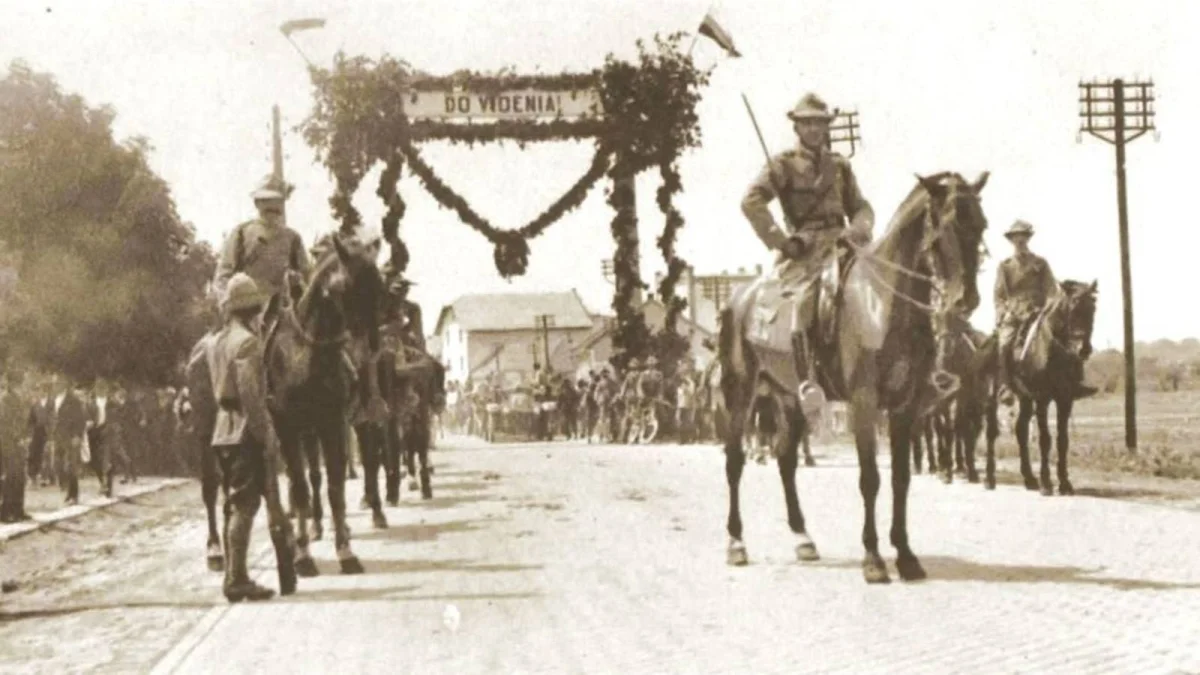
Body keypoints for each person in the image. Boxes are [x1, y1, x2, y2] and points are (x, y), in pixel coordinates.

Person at [741, 92, 874, 376]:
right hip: (806, 251)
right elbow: (751, 201)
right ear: (796, 127)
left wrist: (857, 229)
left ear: (827, 127)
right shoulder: (783, 165)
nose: (814, 129)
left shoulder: (839, 166)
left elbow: (861, 207)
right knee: (803, 305)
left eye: (820, 123)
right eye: (807, 123)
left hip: (844, 243)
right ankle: (807, 378)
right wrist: (782, 241)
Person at [204, 272, 296, 602]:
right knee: (246, 504)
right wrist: (266, 433)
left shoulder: (214, 342)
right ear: (252, 309)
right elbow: (250, 395)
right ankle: (237, 579)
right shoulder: (247, 343)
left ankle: (235, 575)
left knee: (233, 504)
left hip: (222, 429)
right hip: (244, 429)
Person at [993, 220, 1095, 404]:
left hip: (1038, 311)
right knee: (1004, 344)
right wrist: (1002, 314)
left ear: (1028, 238)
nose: (1020, 240)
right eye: (1016, 237)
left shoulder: (1040, 263)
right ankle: (1005, 386)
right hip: (1014, 313)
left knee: (1067, 338)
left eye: (1023, 236)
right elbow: (999, 295)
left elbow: (1051, 290)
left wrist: (1047, 307)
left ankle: (1075, 381)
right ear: (1012, 240)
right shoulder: (1005, 266)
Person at [212, 175, 311, 332]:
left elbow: (308, 279)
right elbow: (222, 277)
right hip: (244, 313)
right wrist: (229, 307)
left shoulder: (293, 238)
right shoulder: (241, 233)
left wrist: (297, 283)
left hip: (282, 314)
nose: (272, 206)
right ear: (257, 203)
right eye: (266, 200)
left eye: (277, 201)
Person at [1, 369, 30, 523]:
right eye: (20, 382)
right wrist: (18, 437)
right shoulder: (6, 399)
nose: (22, 385)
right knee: (11, 477)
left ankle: (18, 510)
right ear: (13, 383)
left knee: (20, 477)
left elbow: (23, 422)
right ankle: (6, 511)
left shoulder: (18, 398)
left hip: (19, 443)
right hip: (9, 443)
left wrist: (25, 437)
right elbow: (6, 423)